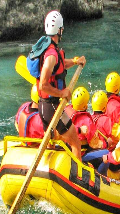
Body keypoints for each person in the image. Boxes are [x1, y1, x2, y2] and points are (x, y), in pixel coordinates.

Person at [35, 10, 86, 161]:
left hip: (43, 106)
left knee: (51, 142)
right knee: (76, 142)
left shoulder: (47, 48)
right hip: (51, 107)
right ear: (58, 30)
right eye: (62, 29)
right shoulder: (51, 55)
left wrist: (76, 62)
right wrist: (62, 93)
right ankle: (78, 178)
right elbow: (43, 85)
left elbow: (61, 66)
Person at [66, 87, 109, 174]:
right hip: (80, 154)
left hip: (67, 150)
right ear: (85, 106)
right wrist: (107, 143)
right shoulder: (87, 121)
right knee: (107, 154)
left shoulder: (66, 111)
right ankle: (101, 177)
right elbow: (95, 143)